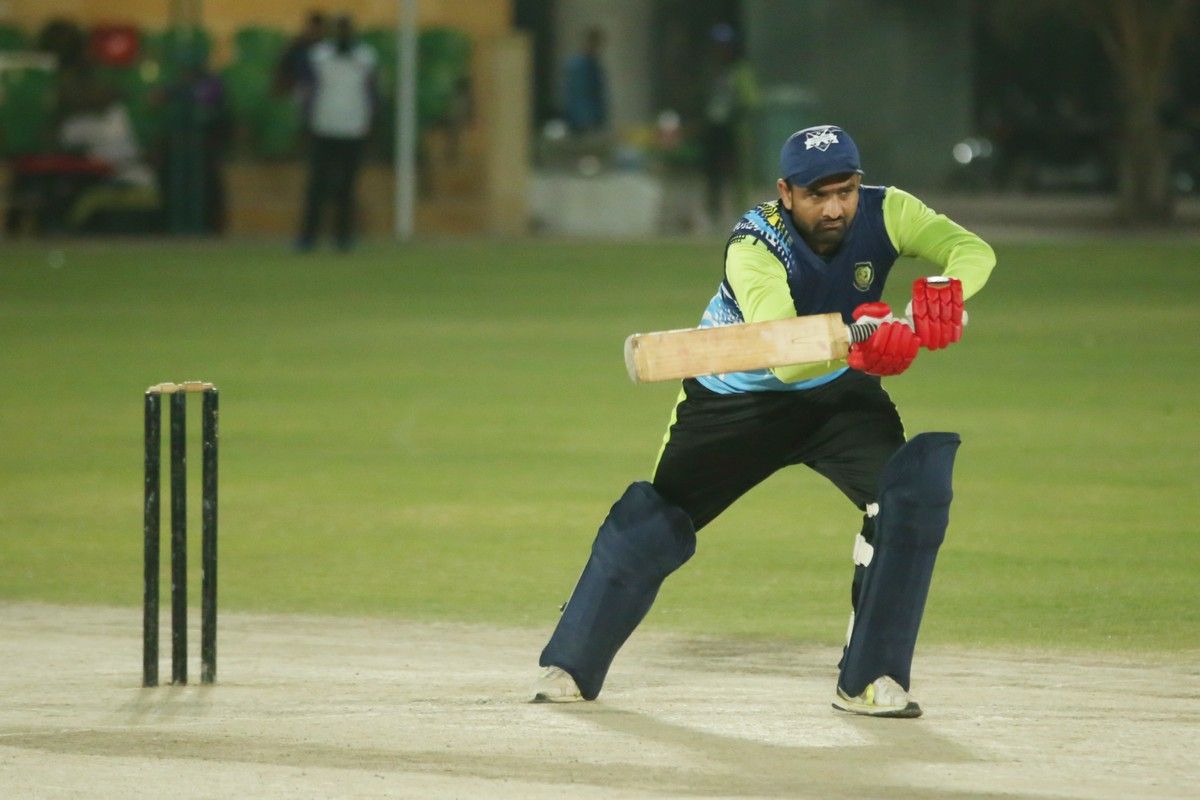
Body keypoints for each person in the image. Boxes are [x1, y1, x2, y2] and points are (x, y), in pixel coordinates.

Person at [532, 125, 996, 717]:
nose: (835, 209)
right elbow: (786, 358)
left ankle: (870, 678)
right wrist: (867, 340)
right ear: (785, 192)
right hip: (735, 400)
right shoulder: (754, 245)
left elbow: (973, 249)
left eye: (846, 192)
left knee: (909, 498)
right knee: (656, 522)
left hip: (838, 399)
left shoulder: (889, 210)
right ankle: (571, 665)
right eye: (817, 195)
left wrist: (945, 288)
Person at [297, 15, 376, 252]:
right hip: (324, 126)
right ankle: (308, 238)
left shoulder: (366, 58)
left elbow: (372, 92)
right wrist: (306, 118)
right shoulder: (318, 56)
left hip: (354, 128)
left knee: (347, 188)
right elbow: (307, 90)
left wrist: (370, 120)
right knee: (317, 186)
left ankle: (343, 237)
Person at [700, 23, 758, 226]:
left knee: (737, 172)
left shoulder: (740, 71)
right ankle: (713, 212)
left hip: (733, 127)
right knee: (712, 172)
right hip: (713, 126)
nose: (720, 50)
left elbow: (750, 100)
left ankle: (740, 212)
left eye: (724, 46)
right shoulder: (710, 71)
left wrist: (735, 111)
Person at [562, 27, 609, 135]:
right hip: (582, 121)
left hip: (592, 117)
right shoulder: (578, 65)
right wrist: (585, 120)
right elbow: (578, 94)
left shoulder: (593, 64)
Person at [275, 11, 327, 98]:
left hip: (321, 89)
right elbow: (283, 66)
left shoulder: (327, 47)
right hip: (300, 86)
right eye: (313, 27)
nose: (315, 31)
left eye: (318, 28)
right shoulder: (296, 45)